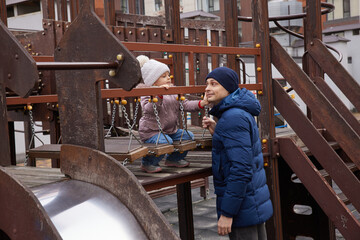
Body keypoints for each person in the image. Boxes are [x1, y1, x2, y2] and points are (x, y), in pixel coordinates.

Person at [202, 67, 273, 240]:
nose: (207, 89)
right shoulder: (237, 112)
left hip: (242, 206)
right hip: (250, 201)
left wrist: (227, 213)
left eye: (214, 84)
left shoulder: (232, 118)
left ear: (228, 88)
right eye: (206, 85)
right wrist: (218, 131)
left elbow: (240, 169)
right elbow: (240, 150)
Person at [136, 55, 209, 173]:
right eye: (163, 76)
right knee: (165, 142)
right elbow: (148, 109)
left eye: (168, 75)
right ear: (153, 82)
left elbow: (185, 105)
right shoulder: (147, 93)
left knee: (188, 136)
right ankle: (148, 163)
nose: (168, 78)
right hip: (151, 131)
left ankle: (173, 159)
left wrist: (202, 103)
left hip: (170, 130)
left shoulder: (172, 92)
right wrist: (158, 95)